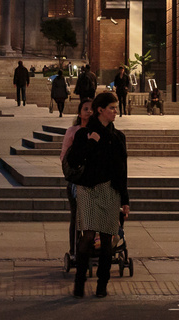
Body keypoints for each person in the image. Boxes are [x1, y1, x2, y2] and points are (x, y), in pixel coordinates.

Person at [65, 92, 129, 298]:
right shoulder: (85, 134)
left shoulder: (118, 137)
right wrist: (91, 142)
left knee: (107, 239)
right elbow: (73, 160)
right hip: (90, 191)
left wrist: (125, 200)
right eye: (112, 108)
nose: (115, 112)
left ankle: (102, 285)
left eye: (116, 108)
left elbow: (123, 170)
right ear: (100, 110)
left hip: (111, 191)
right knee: (88, 237)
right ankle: (80, 282)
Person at [60, 98, 95, 262]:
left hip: (94, 180)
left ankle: (92, 248)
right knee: (76, 216)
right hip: (76, 179)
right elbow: (64, 155)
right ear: (80, 112)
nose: (89, 111)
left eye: (91, 109)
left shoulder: (97, 130)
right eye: (86, 109)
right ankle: (74, 249)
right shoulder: (72, 131)